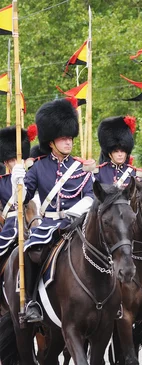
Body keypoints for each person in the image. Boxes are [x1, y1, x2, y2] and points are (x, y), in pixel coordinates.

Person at [16, 97, 94, 322]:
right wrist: (18, 181)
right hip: (48, 225)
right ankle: (31, 302)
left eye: (70, 138)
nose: (68, 142)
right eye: (63, 138)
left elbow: (90, 195)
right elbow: (22, 198)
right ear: (51, 142)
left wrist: (76, 213)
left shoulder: (80, 167)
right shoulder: (39, 166)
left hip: (77, 224)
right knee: (31, 250)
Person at [0, 125, 33, 259]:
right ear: (6, 164)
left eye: (19, 159)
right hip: (10, 229)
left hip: (32, 225)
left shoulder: (32, 177)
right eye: (12, 160)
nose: (16, 163)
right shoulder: (1, 182)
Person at [95, 115, 142, 186]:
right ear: (109, 153)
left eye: (123, 151)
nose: (120, 154)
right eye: (116, 151)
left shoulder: (134, 173)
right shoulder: (99, 172)